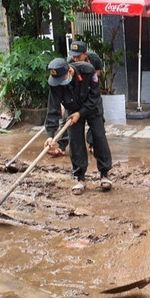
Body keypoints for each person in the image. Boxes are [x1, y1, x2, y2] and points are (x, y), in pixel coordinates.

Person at [44, 58, 112, 195]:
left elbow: (94, 97)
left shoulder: (88, 71)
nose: (60, 83)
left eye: (62, 79)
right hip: (72, 108)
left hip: (92, 108)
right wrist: (50, 136)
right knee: (75, 141)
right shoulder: (55, 83)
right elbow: (53, 109)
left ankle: (104, 174)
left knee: (98, 137)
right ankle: (80, 178)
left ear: (70, 71)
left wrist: (80, 114)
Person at [48, 41, 103, 157]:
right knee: (70, 126)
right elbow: (53, 107)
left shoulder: (92, 62)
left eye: (78, 56)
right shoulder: (65, 65)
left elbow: (98, 72)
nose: (75, 59)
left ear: (85, 54)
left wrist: (90, 79)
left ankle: (93, 144)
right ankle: (62, 146)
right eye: (73, 56)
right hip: (73, 99)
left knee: (98, 128)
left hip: (89, 94)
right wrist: (50, 135)